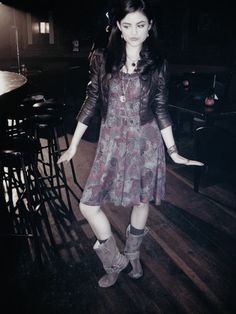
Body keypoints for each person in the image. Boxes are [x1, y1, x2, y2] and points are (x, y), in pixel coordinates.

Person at [57, 0, 203, 288]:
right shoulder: (102, 58)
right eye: (127, 25)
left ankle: (132, 254)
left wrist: (174, 151)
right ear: (119, 29)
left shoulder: (158, 63)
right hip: (111, 140)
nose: (134, 31)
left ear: (149, 28)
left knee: (140, 199)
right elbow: (92, 100)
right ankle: (115, 261)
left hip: (145, 141)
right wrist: (73, 145)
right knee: (88, 205)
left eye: (140, 25)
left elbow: (161, 107)